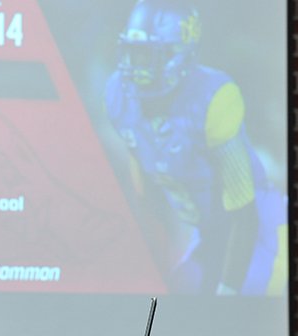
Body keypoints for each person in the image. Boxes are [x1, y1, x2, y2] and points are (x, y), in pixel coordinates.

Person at [103, 0, 287, 295]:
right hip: (210, 237)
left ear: (178, 56)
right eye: (132, 53)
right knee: (177, 294)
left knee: (239, 305)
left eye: (146, 55)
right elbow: (146, 192)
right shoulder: (119, 97)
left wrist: (227, 292)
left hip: (263, 236)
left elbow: (245, 214)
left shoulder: (211, 101)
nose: (135, 67)